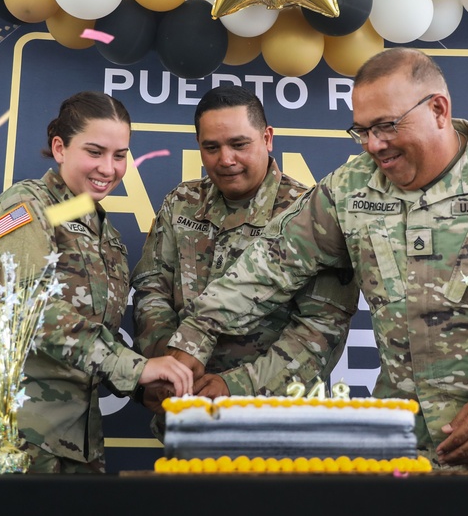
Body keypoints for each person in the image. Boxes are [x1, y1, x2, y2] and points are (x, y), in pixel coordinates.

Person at [166, 48, 468, 470]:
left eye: (387, 126)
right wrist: (193, 339)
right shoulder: (351, 188)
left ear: (438, 110)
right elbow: (268, 264)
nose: (373, 145)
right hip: (412, 456)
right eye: (362, 130)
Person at [0, 91, 193, 474]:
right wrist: (137, 370)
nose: (109, 167)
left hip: (72, 445)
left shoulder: (107, 237)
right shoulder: (21, 209)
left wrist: (146, 386)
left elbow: (95, 339)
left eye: (120, 155)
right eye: (95, 151)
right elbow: (31, 309)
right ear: (60, 148)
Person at [131, 85, 357, 431]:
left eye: (239, 144)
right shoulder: (181, 202)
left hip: (273, 426)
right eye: (212, 147)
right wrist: (167, 360)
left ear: (267, 138)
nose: (226, 159)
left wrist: (235, 387)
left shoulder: (310, 215)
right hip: (184, 421)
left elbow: (321, 330)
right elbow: (151, 286)